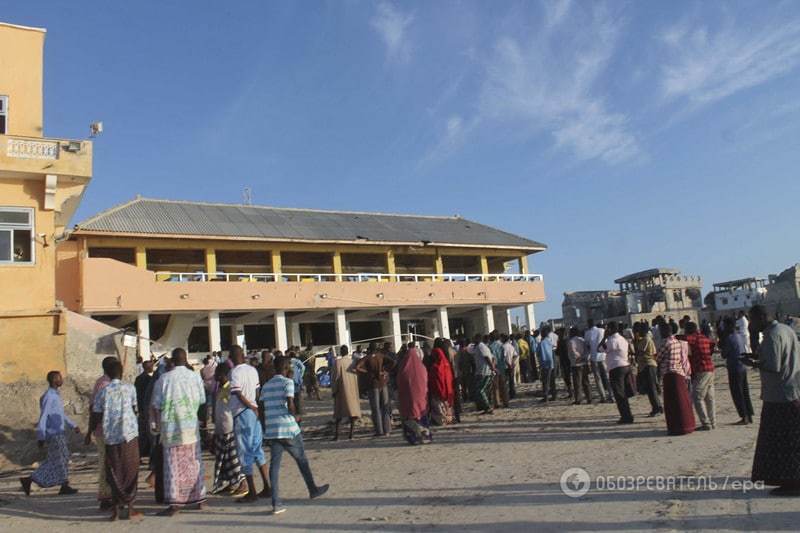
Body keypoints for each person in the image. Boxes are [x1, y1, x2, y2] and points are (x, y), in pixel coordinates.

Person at [261, 355, 329, 514]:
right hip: (288, 428)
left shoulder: (266, 385)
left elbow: (263, 409)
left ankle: (276, 502)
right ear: (286, 368)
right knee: (301, 459)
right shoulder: (287, 382)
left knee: (274, 466)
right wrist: (296, 416)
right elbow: (290, 403)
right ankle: (312, 489)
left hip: (272, 429)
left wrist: (266, 427)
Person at [748, 305, 800, 495]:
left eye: (752, 320)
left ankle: (791, 483)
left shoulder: (771, 335)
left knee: (783, 442)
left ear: (762, 317)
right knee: (792, 440)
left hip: (779, 395)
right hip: (792, 389)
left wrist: (753, 363)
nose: (751, 325)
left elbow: (774, 366)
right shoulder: (787, 329)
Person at [150, 348, 207, 516]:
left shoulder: (164, 379)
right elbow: (202, 400)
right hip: (191, 429)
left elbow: (156, 404)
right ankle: (199, 498)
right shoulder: (195, 377)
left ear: (172, 361)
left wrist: (154, 425)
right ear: (186, 359)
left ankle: (175, 503)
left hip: (171, 429)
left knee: (173, 467)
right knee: (194, 464)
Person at [89, 360, 142, 522]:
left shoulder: (103, 391)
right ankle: (130, 507)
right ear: (121, 372)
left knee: (113, 471)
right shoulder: (130, 388)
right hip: (129, 435)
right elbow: (134, 409)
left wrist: (90, 431)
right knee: (131, 470)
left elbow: (96, 414)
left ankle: (115, 510)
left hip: (111, 437)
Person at [20, 371, 81, 496]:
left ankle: (33, 480)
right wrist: (41, 436)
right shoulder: (49, 396)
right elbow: (43, 416)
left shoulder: (56, 395)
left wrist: (73, 425)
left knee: (61, 458)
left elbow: (60, 414)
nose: (61, 379)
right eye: (59, 377)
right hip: (53, 434)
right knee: (59, 459)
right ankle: (34, 480)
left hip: (59, 432)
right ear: (54, 380)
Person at [229, 345, 271, 503]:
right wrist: (256, 406)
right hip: (254, 413)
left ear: (232, 357)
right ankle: (267, 486)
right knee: (257, 449)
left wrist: (250, 406)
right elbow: (257, 391)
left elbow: (238, 393)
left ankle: (252, 491)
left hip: (242, 413)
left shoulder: (235, 372)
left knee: (245, 452)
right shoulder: (252, 370)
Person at [210, 364, 247, 496]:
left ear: (223, 375)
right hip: (221, 427)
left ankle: (243, 484)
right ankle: (232, 483)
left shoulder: (230, 389)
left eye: (217, 373)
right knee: (225, 459)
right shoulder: (221, 389)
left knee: (233, 459)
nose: (215, 376)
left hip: (229, 427)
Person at [86, 356, 117, 509]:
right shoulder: (104, 384)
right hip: (104, 430)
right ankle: (105, 496)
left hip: (109, 430)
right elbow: (94, 410)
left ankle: (111, 493)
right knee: (106, 463)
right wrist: (89, 431)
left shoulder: (106, 383)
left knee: (110, 462)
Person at [656, 323, 694, 436]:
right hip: (679, 372)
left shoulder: (666, 343)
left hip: (669, 373)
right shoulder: (677, 342)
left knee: (672, 403)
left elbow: (658, 358)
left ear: (665, 331)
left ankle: (676, 427)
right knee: (682, 401)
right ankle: (687, 425)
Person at [719, 317, 754, 425]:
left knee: (737, 393)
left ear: (729, 326)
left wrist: (721, 344)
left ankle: (744, 416)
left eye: (724, 326)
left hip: (734, 367)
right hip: (742, 366)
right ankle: (749, 414)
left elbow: (724, 354)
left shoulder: (729, 338)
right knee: (744, 392)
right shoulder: (739, 336)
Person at [396, 344, 432, 444]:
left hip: (408, 398)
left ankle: (414, 438)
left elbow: (399, 382)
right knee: (421, 414)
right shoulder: (422, 368)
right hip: (421, 397)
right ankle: (425, 436)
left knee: (410, 416)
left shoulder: (403, 369)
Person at [355, 346, 395, 435]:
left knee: (376, 408)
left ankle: (379, 431)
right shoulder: (381, 356)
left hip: (373, 384)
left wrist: (367, 373)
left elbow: (357, 367)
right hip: (383, 383)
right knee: (385, 406)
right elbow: (393, 362)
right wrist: (386, 371)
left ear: (369, 350)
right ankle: (387, 430)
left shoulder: (367, 358)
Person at [685, 322, 717, 431]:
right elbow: (712, 344)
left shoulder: (692, 339)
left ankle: (706, 423)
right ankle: (712, 422)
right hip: (710, 368)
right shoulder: (704, 337)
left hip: (702, 369)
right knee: (709, 397)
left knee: (697, 397)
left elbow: (683, 338)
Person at [604, 322, 634, 424]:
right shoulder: (622, 339)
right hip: (625, 365)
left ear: (611, 329)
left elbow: (600, 348)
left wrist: (604, 337)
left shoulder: (612, 340)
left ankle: (626, 416)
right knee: (624, 393)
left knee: (619, 394)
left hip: (616, 368)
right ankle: (628, 414)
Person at [332, 345, 361, 440]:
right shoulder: (353, 362)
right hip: (352, 389)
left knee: (339, 413)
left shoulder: (338, 362)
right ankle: (351, 434)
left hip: (341, 389)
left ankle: (337, 435)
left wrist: (334, 390)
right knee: (352, 413)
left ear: (341, 352)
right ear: (348, 351)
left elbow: (335, 377)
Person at [633, 323, 662, 417]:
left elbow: (639, 351)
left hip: (648, 365)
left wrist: (636, 340)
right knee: (650, 389)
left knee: (651, 389)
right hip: (646, 366)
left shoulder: (646, 339)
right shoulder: (644, 339)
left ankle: (657, 408)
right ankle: (657, 407)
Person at [428, 338, 455, 426]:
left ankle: (442, 419)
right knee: (446, 404)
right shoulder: (445, 361)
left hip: (437, 389)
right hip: (447, 387)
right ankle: (448, 418)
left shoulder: (434, 362)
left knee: (438, 406)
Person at [585, 319, 612, 403]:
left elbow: (587, 346)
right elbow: (606, 343)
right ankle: (612, 395)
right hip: (603, 356)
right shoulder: (602, 330)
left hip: (594, 358)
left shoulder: (587, 333)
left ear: (589, 324)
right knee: (607, 377)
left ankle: (603, 397)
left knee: (598, 378)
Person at [134, 360, 154, 457]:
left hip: (141, 407)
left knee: (142, 432)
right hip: (147, 408)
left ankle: (141, 453)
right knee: (149, 432)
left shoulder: (138, 379)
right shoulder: (149, 379)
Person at [470, 334, 495, 414]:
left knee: (480, 391)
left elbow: (487, 358)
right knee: (481, 390)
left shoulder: (481, 346)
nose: (472, 340)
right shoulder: (478, 347)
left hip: (484, 372)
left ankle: (488, 407)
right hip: (480, 371)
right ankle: (484, 407)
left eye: (474, 338)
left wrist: (492, 368)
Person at [567, 327, 592, 404]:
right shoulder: (582, 340)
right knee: (586, 382)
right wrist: (584, 358)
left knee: (577, 383)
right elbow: (587, 351)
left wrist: (579, 358)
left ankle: (578, 399)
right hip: (584, 363)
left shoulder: (571, 341)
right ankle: (589, 398)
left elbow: (573, 352)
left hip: (576, 364)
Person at [489, 332, 509, 408]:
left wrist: (492, 368)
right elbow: (504, 357)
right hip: (502, 367)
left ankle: (497, 403)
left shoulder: (490, 346)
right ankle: (506, 401)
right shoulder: (501, 345)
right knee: (503, 386)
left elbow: (492, 358)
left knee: (495, 387)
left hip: (495, 368)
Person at [537, 326, 556, 402]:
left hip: (544, 364)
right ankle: (554, 395)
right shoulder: (549, 341)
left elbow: (538, 353)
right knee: (552, 380)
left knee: (545, 381)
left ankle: (546, 396)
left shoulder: (541, 343)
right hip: (551, 363)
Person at [502, 334, 519, 400]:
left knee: (505, 381)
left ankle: (506, 395)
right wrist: (512, 362)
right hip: (511, 365)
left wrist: (508, 364)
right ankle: (512, 393)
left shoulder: (503, 347)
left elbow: (503, 357)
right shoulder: (511, 346)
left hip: (506, 366)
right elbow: (515, 355)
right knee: (511, 380)